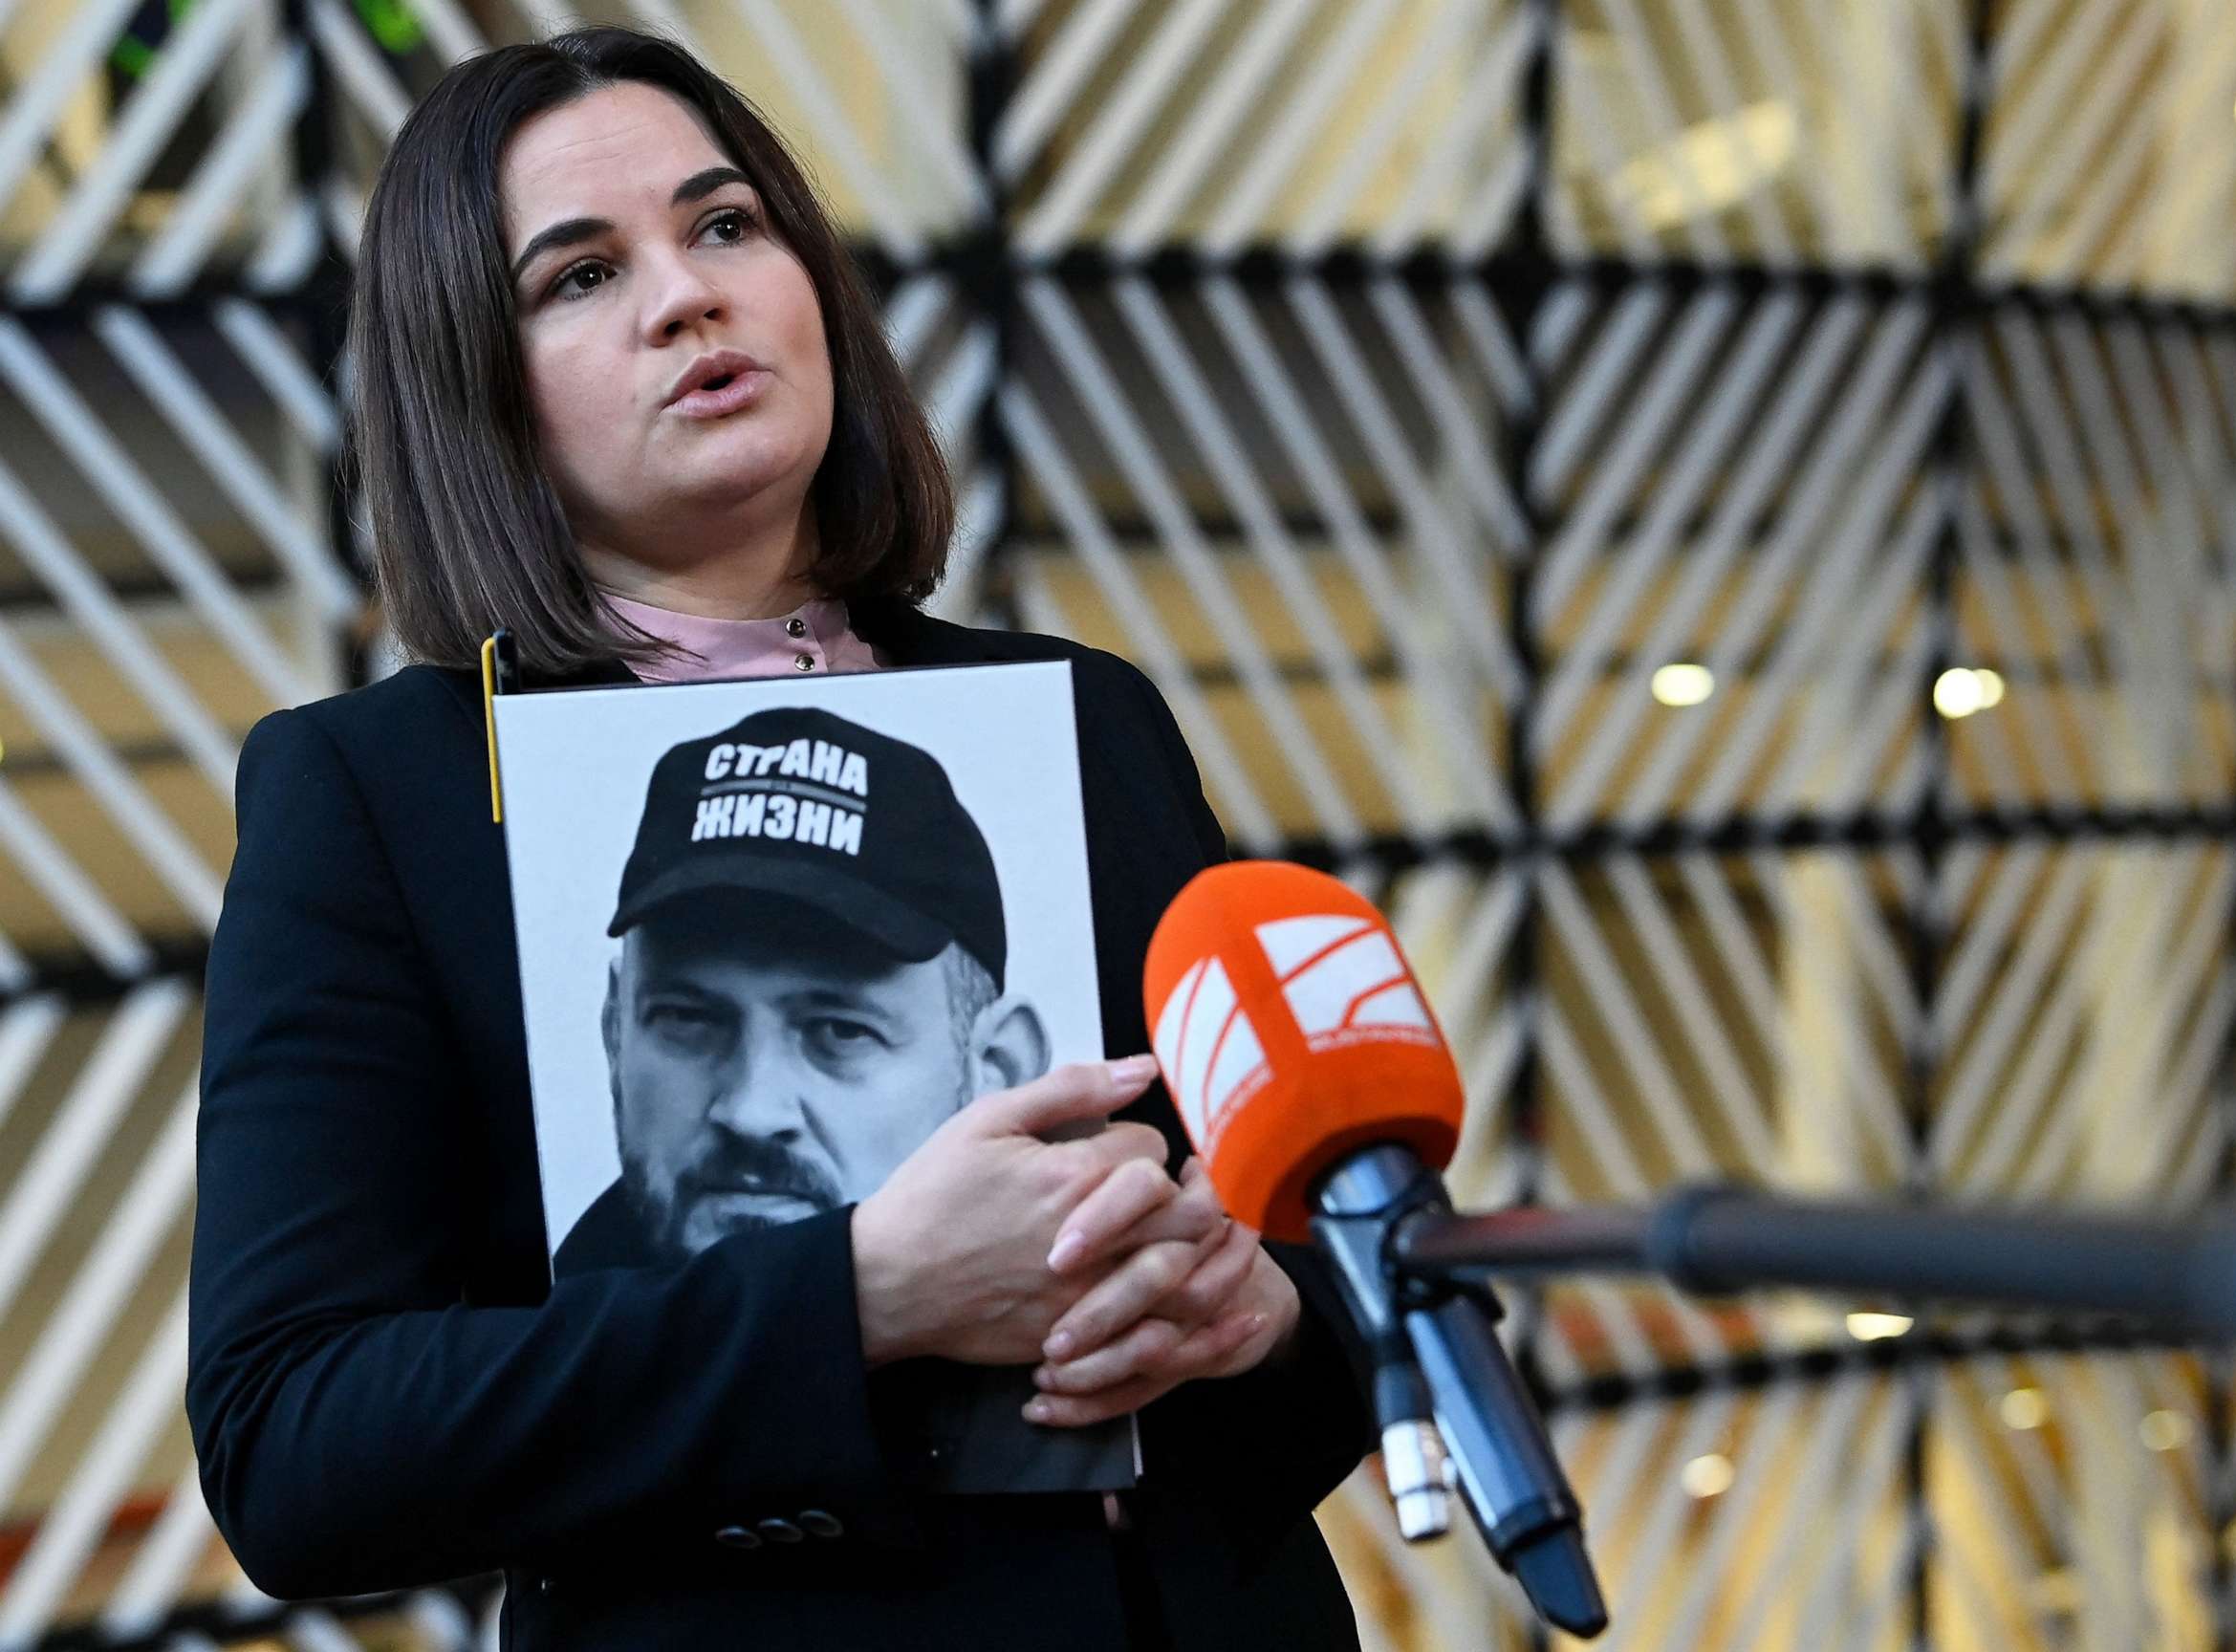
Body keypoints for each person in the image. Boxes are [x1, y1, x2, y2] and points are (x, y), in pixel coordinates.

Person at [185, 24, 1373, 1652]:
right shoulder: (381, 795)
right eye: (581, 274)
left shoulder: (1080, 717)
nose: (688, 295)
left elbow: (1338, 1323)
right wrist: (856, 1296)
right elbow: (295, 1445)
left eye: (726, 224)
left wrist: (1260, 1322)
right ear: (476, 380)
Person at [559, 705, 1050, 1274]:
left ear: (997, 1071)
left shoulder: (1122, 1341)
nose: (750, 1112)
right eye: (688, 1020)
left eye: (841, 1032)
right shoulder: (498, 1349)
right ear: (615, 1034)